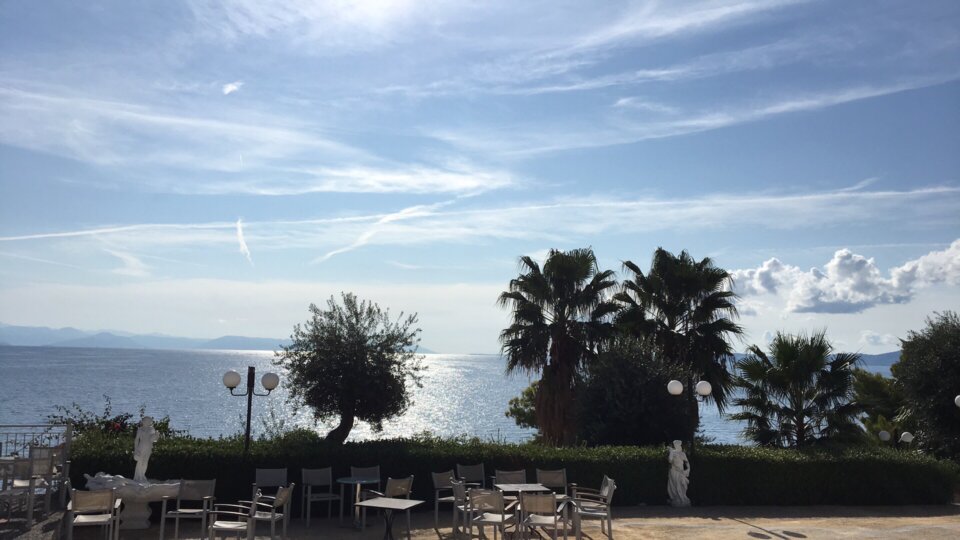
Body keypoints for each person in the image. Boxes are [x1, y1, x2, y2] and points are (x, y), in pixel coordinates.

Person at [133, 416, 159, 483]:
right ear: (143, 421)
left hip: (149, 447)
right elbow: (136, 440)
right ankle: (138, 477)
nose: (147, 422)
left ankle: (142, 475)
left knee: (145, 462)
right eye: (146, 421)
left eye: (149, 421)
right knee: (140, 462)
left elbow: (153, 439)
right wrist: (135, 450)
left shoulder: (151, 429)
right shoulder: (140, 429)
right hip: (141, 447)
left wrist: (157, 435)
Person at [667, 440, 691, 507]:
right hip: (674, 471)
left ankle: (683, 497)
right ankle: (677, 498)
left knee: (683, 484)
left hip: (681, 471)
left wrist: (688, 469)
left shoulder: (682, 453)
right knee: (675, 485)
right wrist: (671, 452)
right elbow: (670, 460)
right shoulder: (673, 452)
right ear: (675, 445)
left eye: (679, 445)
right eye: (677, 445)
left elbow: (687, 462)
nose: (678, 446)